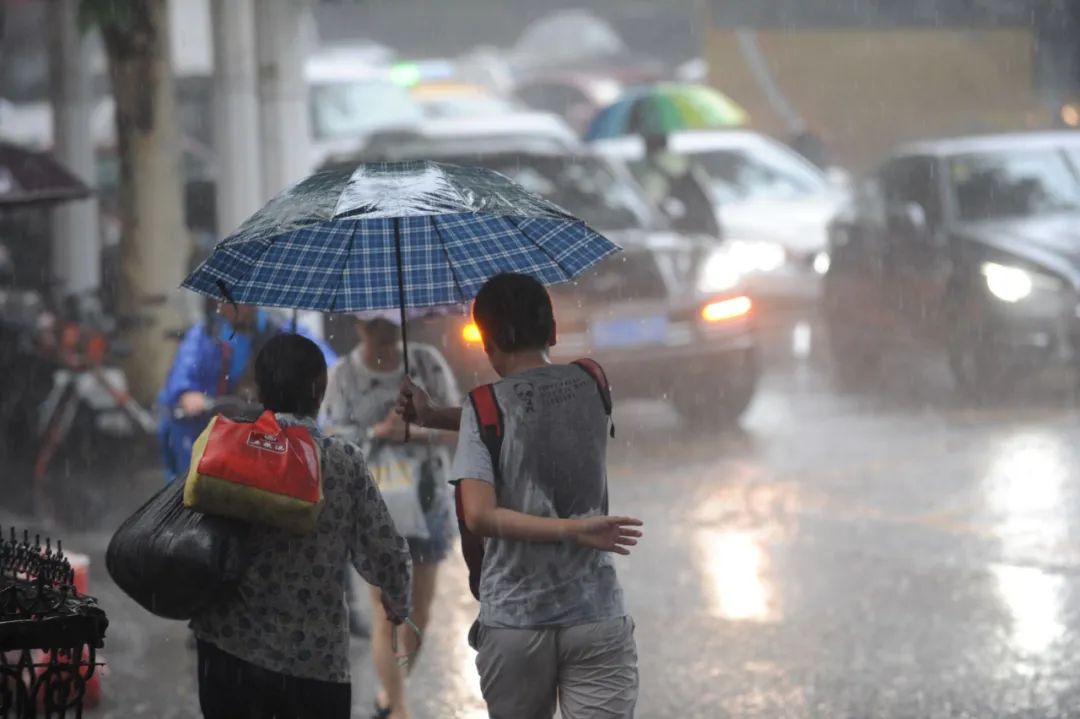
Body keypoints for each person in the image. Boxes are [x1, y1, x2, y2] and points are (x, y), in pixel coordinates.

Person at [399, 273, 643, 719]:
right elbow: (534, 416)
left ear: (486, 344)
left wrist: (570, 529)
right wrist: (435, 415)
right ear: (552, 331)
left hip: (516, 619)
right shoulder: (593, 382)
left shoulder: (483, 406)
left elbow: (480, 515)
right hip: (595, 611)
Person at [190, 333, 412, 719]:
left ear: (259, 389)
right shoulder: (342, 461)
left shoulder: (229, 448)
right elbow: (385, 552)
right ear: (317, 389)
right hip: (312, 662)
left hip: (227, 651)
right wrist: (397, 597)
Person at [320, 310, 461, 719]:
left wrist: (414, 430)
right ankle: (399, 707)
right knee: (387, 614)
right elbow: (331, 437)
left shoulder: (426, 363)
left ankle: (390, 698)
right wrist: (375, 434)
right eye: (374, 326)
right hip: (373, 506)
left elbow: (459, 424)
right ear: (358, 326)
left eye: (390, 325)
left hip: (427, 499)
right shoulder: (343, 374)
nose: (383, 334)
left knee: (419, 613)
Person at [157, 302, 337, 482]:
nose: (227, 305)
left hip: (269, 425)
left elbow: (327, 364)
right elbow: (183, 372)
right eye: (223, 299)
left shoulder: (279, 328)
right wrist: (187, 393)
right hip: (217, 423)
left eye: (235, 300)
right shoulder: (207, 332)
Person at [639, 132, 722, 238]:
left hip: (682, 238)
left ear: (647, 149)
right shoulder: (690, 167)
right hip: (707, 232)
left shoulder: (655, 176)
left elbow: (650, 209)